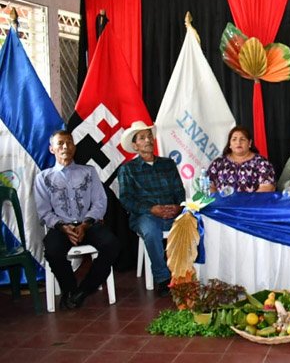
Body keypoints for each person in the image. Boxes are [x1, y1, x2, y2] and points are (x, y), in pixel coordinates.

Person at [34, 130, 120, 310]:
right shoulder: (43, 178)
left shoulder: (88, 172)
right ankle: (70, 289)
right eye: (60, 143)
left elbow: (100, 202)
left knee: (111, 244)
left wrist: (86, 223)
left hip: (87, 224)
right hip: (61, 227)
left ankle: (84, 290)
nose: (65, 146)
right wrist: (62, 227)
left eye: (69, 142)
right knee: (52, 250)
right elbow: (44, 211)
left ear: (74, 147)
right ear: (52, 149)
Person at [117, 121, 185, 297]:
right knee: (150, 230)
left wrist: (178, 207)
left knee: (194, 223)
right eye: (142, 138)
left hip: (172, 212)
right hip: (145, 216)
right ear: (135, 146)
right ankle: (163, 279)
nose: (148, 140)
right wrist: (151, 209)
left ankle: (187, 274)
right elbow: (126, 199)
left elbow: (179, 191)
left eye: (149, 136)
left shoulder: (168, 164)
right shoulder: (128, 169)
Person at [207, 126, 276, 193]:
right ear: (230, 144)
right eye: (234, 139)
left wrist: (248, 203)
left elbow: (267, 187)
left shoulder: (261, 163)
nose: (238, 142)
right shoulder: (219, 163)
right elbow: (209, 186)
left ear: (249, 143)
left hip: (253, 204)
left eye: (242, 139)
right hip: (223, 204)